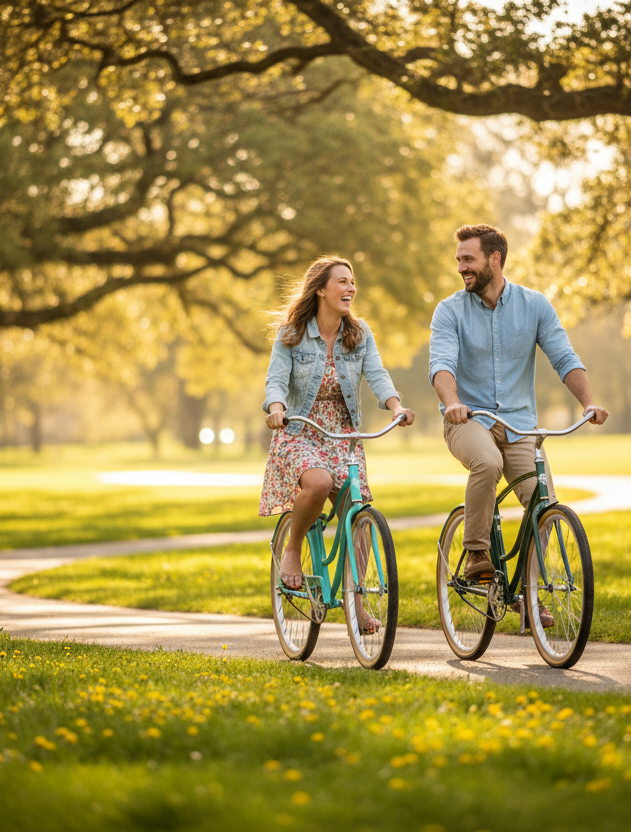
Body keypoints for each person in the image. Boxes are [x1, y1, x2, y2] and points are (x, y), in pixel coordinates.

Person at [429, 224, 608, 626]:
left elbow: (564, 356)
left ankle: (527, 592)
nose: (461, 268)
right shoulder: (449, 310)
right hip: (468, 420)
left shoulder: (535, 305)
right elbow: (440, 364)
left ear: (495, 259)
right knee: (487, 463)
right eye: (458, 260)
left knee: (542, 502)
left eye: (468, 259)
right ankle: (476, 552)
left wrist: (589, 403)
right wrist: (453, 403)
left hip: (520, 425)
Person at [260, 256, 415, 633]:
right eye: (342, 282)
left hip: (343, 436)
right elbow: (276, 381)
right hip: (299, 430)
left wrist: (395, 406)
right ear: (320, 290)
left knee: (357, 516)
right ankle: (293, 550)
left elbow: (377, 374)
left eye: (352, 282)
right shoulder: (291, 334)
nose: (350, 288)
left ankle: (357, 605)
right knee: (318, 484)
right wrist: (277, 408)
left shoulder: (358, 334)